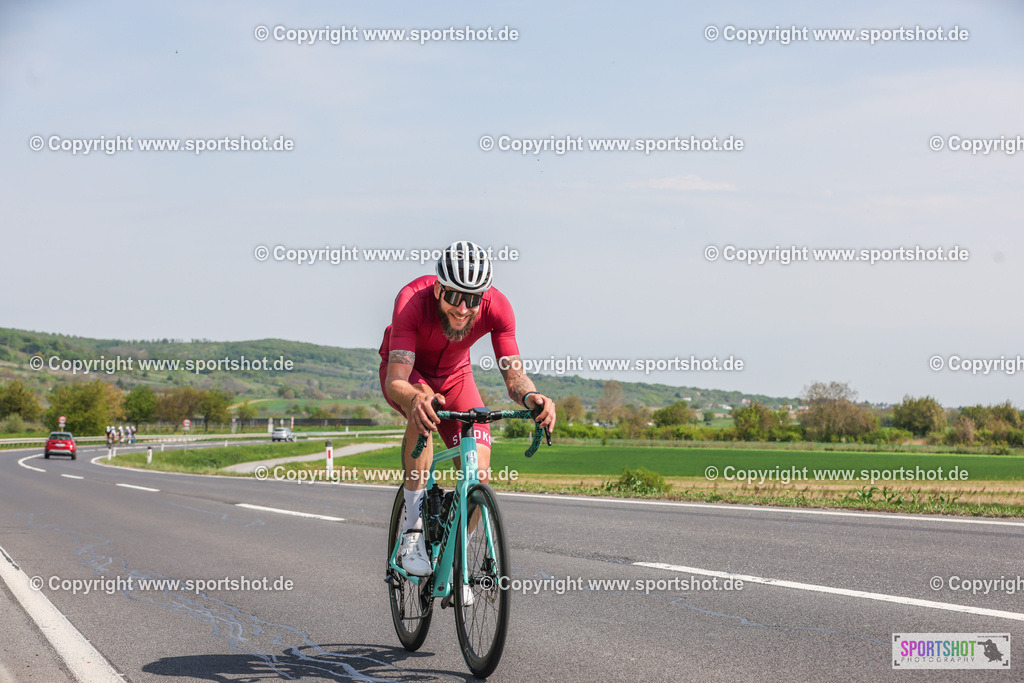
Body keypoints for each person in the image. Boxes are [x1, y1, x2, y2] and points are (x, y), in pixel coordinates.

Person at [379, 240, 556, 577]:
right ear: (438, 289)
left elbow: (515, 376)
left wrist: (532, 397)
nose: (463, 309)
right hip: (410, 376)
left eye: (472, 299)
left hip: (457, 378)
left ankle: (455, 556)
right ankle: (412, 531)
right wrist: (416, 398)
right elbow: (396, 379)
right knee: (424, 407)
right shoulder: (411, 300)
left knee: (479, 475)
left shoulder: (498, 307)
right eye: (454, 296)